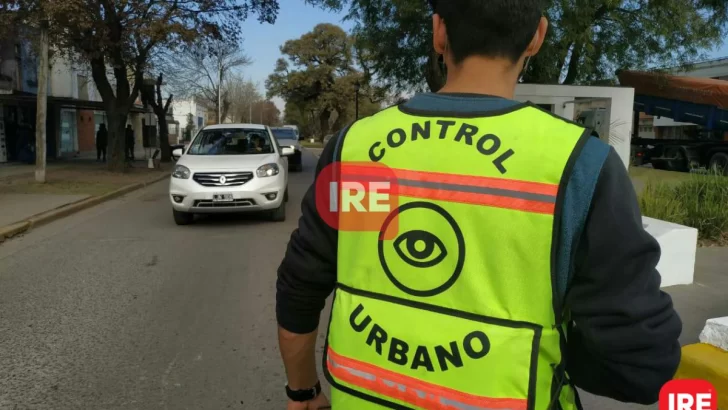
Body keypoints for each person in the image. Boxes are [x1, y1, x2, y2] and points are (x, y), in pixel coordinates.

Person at [276, 1, 682, 409]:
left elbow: (301, 285)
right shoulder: (575, 165)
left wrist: (304, 390)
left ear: (438, 32)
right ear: (537, 37)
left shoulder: (357, 149)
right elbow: (642, 364)